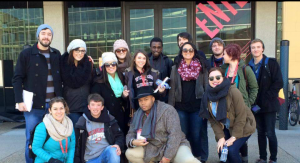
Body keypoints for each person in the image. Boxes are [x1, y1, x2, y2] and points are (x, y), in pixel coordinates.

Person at [12, 24, 62, 163]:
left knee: (53, 138)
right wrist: (19, 101)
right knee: (32, 138)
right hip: (34, 106)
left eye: (49, 34)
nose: (46, 36)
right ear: (38, 35)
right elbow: (17, 79)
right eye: (43, 33)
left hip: (54, 106)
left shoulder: (56, 54)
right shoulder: (26, 54)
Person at [125, 86, 200, 163]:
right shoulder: (138, 114)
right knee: (130, 153)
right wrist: (133, 142)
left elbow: (175, 135)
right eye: (140, 100)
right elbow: (131, 133)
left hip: (176, 145)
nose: (143, 103)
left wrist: (167, 157)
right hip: (152, 147)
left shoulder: (167, 110)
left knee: (189, 160)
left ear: (153, 99)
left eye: (146, 99)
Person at [199, 67, 256, 163]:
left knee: (232, 151)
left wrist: (233, 137)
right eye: (211, 78)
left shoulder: (233, 91)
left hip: (244, 126)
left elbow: (241, 117)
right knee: (221, 150)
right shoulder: (207, 95)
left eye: (217, 77)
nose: (215, 80)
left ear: (223, 78)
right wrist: (221, 137)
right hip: (227, 127)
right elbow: (213, 120)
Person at [168, 42, 208, 162]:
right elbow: (172, 89)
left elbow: (206, 88)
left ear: (194, 52)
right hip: (180, 107)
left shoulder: (202, 67)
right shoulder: (175, 68)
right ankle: (184, 158)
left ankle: (196, 157)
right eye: (185, 50)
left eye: (190, 50)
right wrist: (170, 109)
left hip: (197, 107)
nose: (188, 52)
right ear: (181, 52)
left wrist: (206, 107)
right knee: (183, 135)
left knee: (196, 135)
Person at [221, 43, 258, 163]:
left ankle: (243, 158)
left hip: (241, 111)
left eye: (224, 54)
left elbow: (254, 88)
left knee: (236, 140)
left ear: (231, 55)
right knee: (226, 144)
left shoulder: (245, 69)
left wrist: (248, 103)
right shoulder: (223, 69)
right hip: (227, 112)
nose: (222, 56)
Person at [248, 39, 283, 163]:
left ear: (262, 49)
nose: (256, 49)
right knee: (260, 132)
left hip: (269, 105)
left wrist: (268, 97)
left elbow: (279, 82)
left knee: (270, 133)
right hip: (256, 106)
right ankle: (262, 157)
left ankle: (273, 158)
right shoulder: (249, 66)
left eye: (258, 47)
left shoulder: (271, 63)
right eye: (253, 47)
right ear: (250, 50)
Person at [75, 93, 124, 163]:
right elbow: (77, 144)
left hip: (106, 154)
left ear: (102, 107)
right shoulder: (82, 121)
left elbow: (119, 135)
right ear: (89, 107)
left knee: (113, 150)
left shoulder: (109, 119)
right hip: (90, 159)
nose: (95, 108)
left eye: (98, 105)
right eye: (93, 105)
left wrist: (118, 144)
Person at [91, 52, 130, 135]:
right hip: (109, 117)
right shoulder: (99, 81)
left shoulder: (121, 77)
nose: (111, 66)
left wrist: (124, 96)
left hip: (122, 115)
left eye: (113, 64)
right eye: (107, 65)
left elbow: (124, 99)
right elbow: (96, 100)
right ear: (104, 66)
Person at [32, 97, 75, 163]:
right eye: (55, 109)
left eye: (61, 108)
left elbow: (71, 147)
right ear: (50, 110)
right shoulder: (43, 126)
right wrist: (51, 160)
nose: (59, 112)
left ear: (64, 109)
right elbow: (36, 148)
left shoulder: (69, 125)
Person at [124, 49, 166, 117]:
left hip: (152, 106)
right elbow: (127, 90)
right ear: (134, 59)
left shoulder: (153, 72)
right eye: (139, 58)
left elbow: (158, 92)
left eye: (144, 58)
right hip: (137, 107)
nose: (141, 60)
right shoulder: (129, 73)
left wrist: (161, 91)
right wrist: (124, 95)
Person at [60, 39, 93, 126]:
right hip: (71, 106)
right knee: (75, 132)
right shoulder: (62, 64)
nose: (80, 53)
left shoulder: (88, 64)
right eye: (77, 50)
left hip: (86, 105)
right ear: (71, 50)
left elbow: (93, 82)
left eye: (82, 51)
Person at [148, 37, 173, 103]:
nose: (156, 49)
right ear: (150, 48)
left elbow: (171, 80)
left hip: (163, 97)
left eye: (159, 47)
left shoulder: (168, 61)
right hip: (149, 96)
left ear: (161, 48)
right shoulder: (145, 60)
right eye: (154, 47)